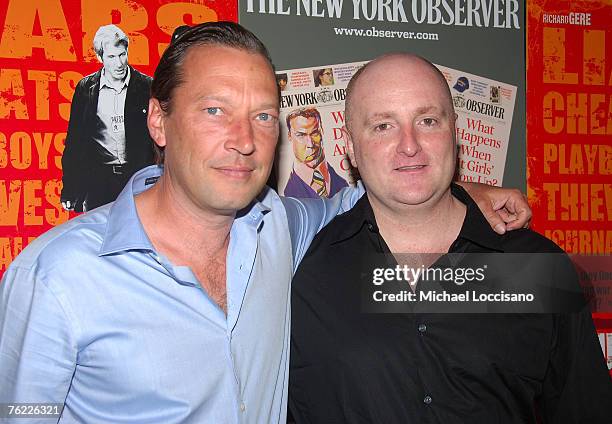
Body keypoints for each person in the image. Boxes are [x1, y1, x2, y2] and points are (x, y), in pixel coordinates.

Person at [0, 23, 531, 423]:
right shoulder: (57, 277)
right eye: (214, 111)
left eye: (262, 115)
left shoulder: (282, 228)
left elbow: (374, 195)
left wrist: (459, 188)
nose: (245, 140)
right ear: (159, 120)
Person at [289, 53, 612, 423]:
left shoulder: (535, 268)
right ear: (349, 146)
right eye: (382, 126)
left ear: (454, 131)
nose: (409, 145)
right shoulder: (302, 272)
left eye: (427, 121)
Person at [61, 24, 155, 212]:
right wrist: (70, 189)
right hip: (98, 181)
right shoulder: (85, 89)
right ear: (100, 57)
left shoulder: (147, 86)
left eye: (122, 55)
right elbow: (75, 142)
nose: (119, 63)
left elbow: (160, 140)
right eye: (112, 57)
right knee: (99, 235)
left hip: (137, 179)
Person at [283, 107, 348, 198]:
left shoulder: (341, 181)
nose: (310, 144)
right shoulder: (289, 192)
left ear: (321, 131)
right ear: (290, 136)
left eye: (314, 133)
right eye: (301, 135)